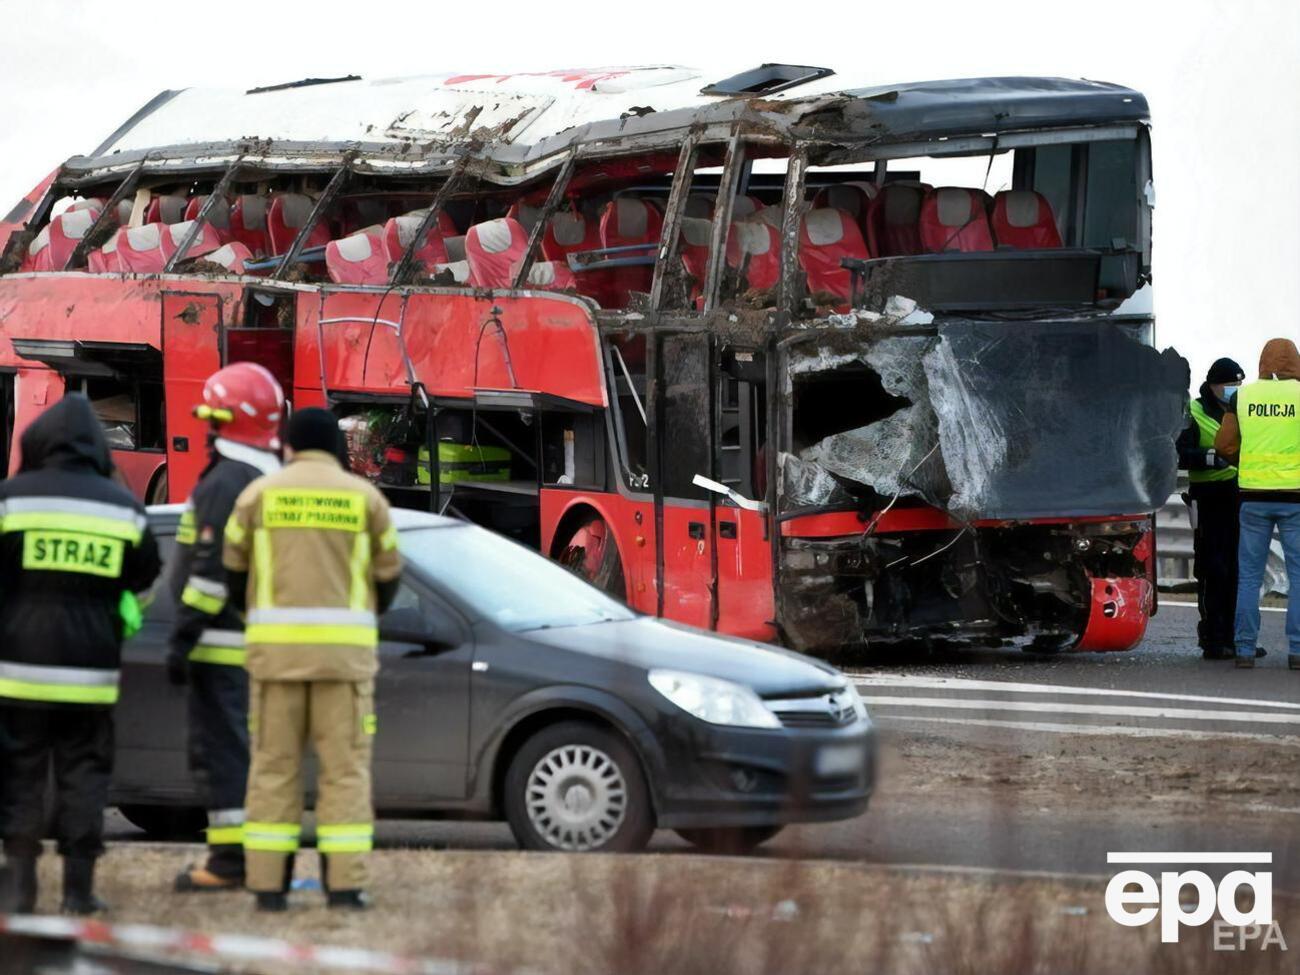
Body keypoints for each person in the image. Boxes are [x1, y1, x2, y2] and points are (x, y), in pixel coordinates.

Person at [223, 408, 402, 911]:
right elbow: (389, 578)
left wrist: (257, 615)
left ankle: (268, 888)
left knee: (273, 770)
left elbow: (233, 573)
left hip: (275, 662)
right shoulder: (365, 498)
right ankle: (344, 888)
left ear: (289, 446)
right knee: (344, 774)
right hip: (343, 666)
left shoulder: (259, 495)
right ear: (334, 447)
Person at [0, 395, 161, 914]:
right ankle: (77, 892)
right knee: (84, 781)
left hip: (16, 674)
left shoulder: (8, 501)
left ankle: (20, 890)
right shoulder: (124, 510)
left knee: (20, 778)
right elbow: (142, 585)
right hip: (90, 674)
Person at [166, 364, 284, 892]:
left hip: (220, 648)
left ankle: (228, 864)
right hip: (255, 645)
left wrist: (184, 634)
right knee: (252, 756)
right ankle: (255, 860)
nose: (206, 430)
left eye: (213, 419)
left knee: (225, 756)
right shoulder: (267, 477)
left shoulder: (224, 483)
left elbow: (208, 574)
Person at [1214, 338, 1300, 671]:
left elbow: (1225, 444)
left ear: (1263, 362)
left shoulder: (1244, 395)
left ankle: (1245, 649)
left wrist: (1245, 462)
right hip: (1295, 497)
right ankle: (1297, 650)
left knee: (1249, 577)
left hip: (1252, 495)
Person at [1176, 357, 1246, 659]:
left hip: (1238, 496)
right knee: (1212, 568)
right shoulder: (1193, 412)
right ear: (1214, 384)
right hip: (1208, 497)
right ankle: (1213, 638)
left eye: (1238, 385)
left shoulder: (1241, 410)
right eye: (1229, 385)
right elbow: (1179, 454)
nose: (1234, 390)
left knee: (1238, 570)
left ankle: (1237, 637)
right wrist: (1208, 456)